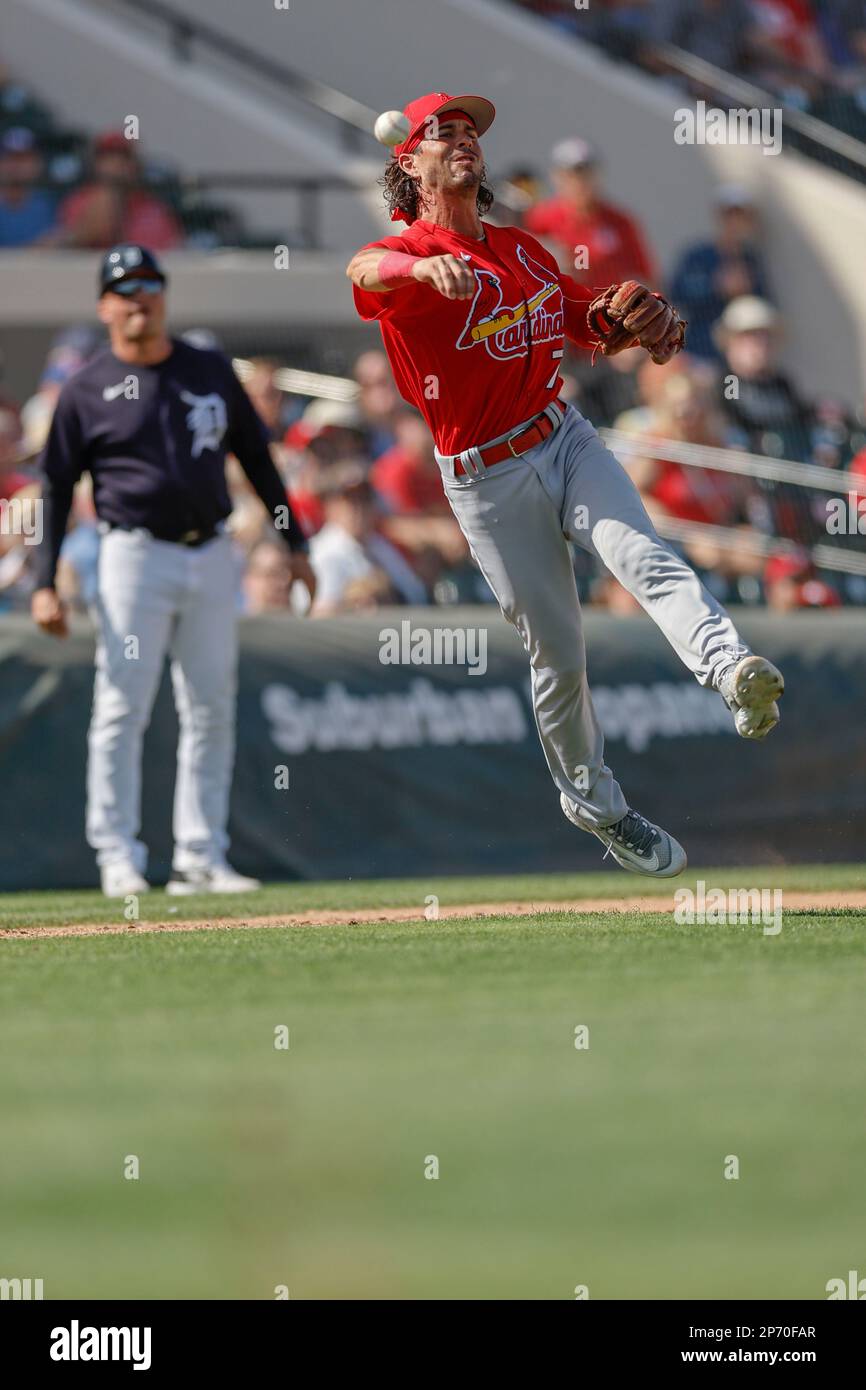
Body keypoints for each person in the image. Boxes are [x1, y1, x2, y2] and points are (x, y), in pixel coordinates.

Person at [346, 91, 785, 878]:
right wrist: (418, 262)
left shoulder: (522, 249)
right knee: (558, 652)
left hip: (563, 435)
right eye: (440, 134)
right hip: (484, 478)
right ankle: (596, 806)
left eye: (469, 130)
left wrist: (628, 324)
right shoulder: (406, 257)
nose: (462, 141)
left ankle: (731, 670)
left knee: (642, 553)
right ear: (409, 163)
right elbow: (360, 268)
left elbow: (585, 324)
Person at [30, 243, 315, 897]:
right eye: (125, 289)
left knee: (211, 706)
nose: (139, 299)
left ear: (163, 296)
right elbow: (52, 487)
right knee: (122, 706)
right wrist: (45, 581)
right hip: (133, 553)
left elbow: (258, 460)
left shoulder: (208, 369)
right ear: (105, 306)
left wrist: (293, 543)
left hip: (211, 550)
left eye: (149, 286)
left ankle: (199, 855)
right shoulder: (86, 388)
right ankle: (116, 856)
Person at [523, 137, 655, 288]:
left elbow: (647, 275)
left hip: (608, 309)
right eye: (571, 175)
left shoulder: (620, 222)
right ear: (556, 177)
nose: (579, 182)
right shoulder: (539, 220)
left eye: (586, 174)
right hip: (561, 308)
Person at [668, 186, 771, 361]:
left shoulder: (751, 260)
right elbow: (676, 293)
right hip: (700, 349)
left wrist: (747, 290)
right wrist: (714, 286)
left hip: (739, 356)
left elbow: (764, 302)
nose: (735, 223)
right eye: (729, 216)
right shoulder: (698, 256)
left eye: (741, 217)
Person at [57, 131, 183, 251]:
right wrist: (83, 232)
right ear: (95, 164)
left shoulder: (153, 210)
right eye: (107, 158)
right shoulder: (77, 202)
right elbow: (56, 251)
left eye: (123, 158)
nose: (116, 165)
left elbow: (167, 255)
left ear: (135, 165)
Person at [0, 127, 57, 248]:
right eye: (10, 158)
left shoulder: (51, 205)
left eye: (24, 159)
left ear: (38, 164)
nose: (16, 165)